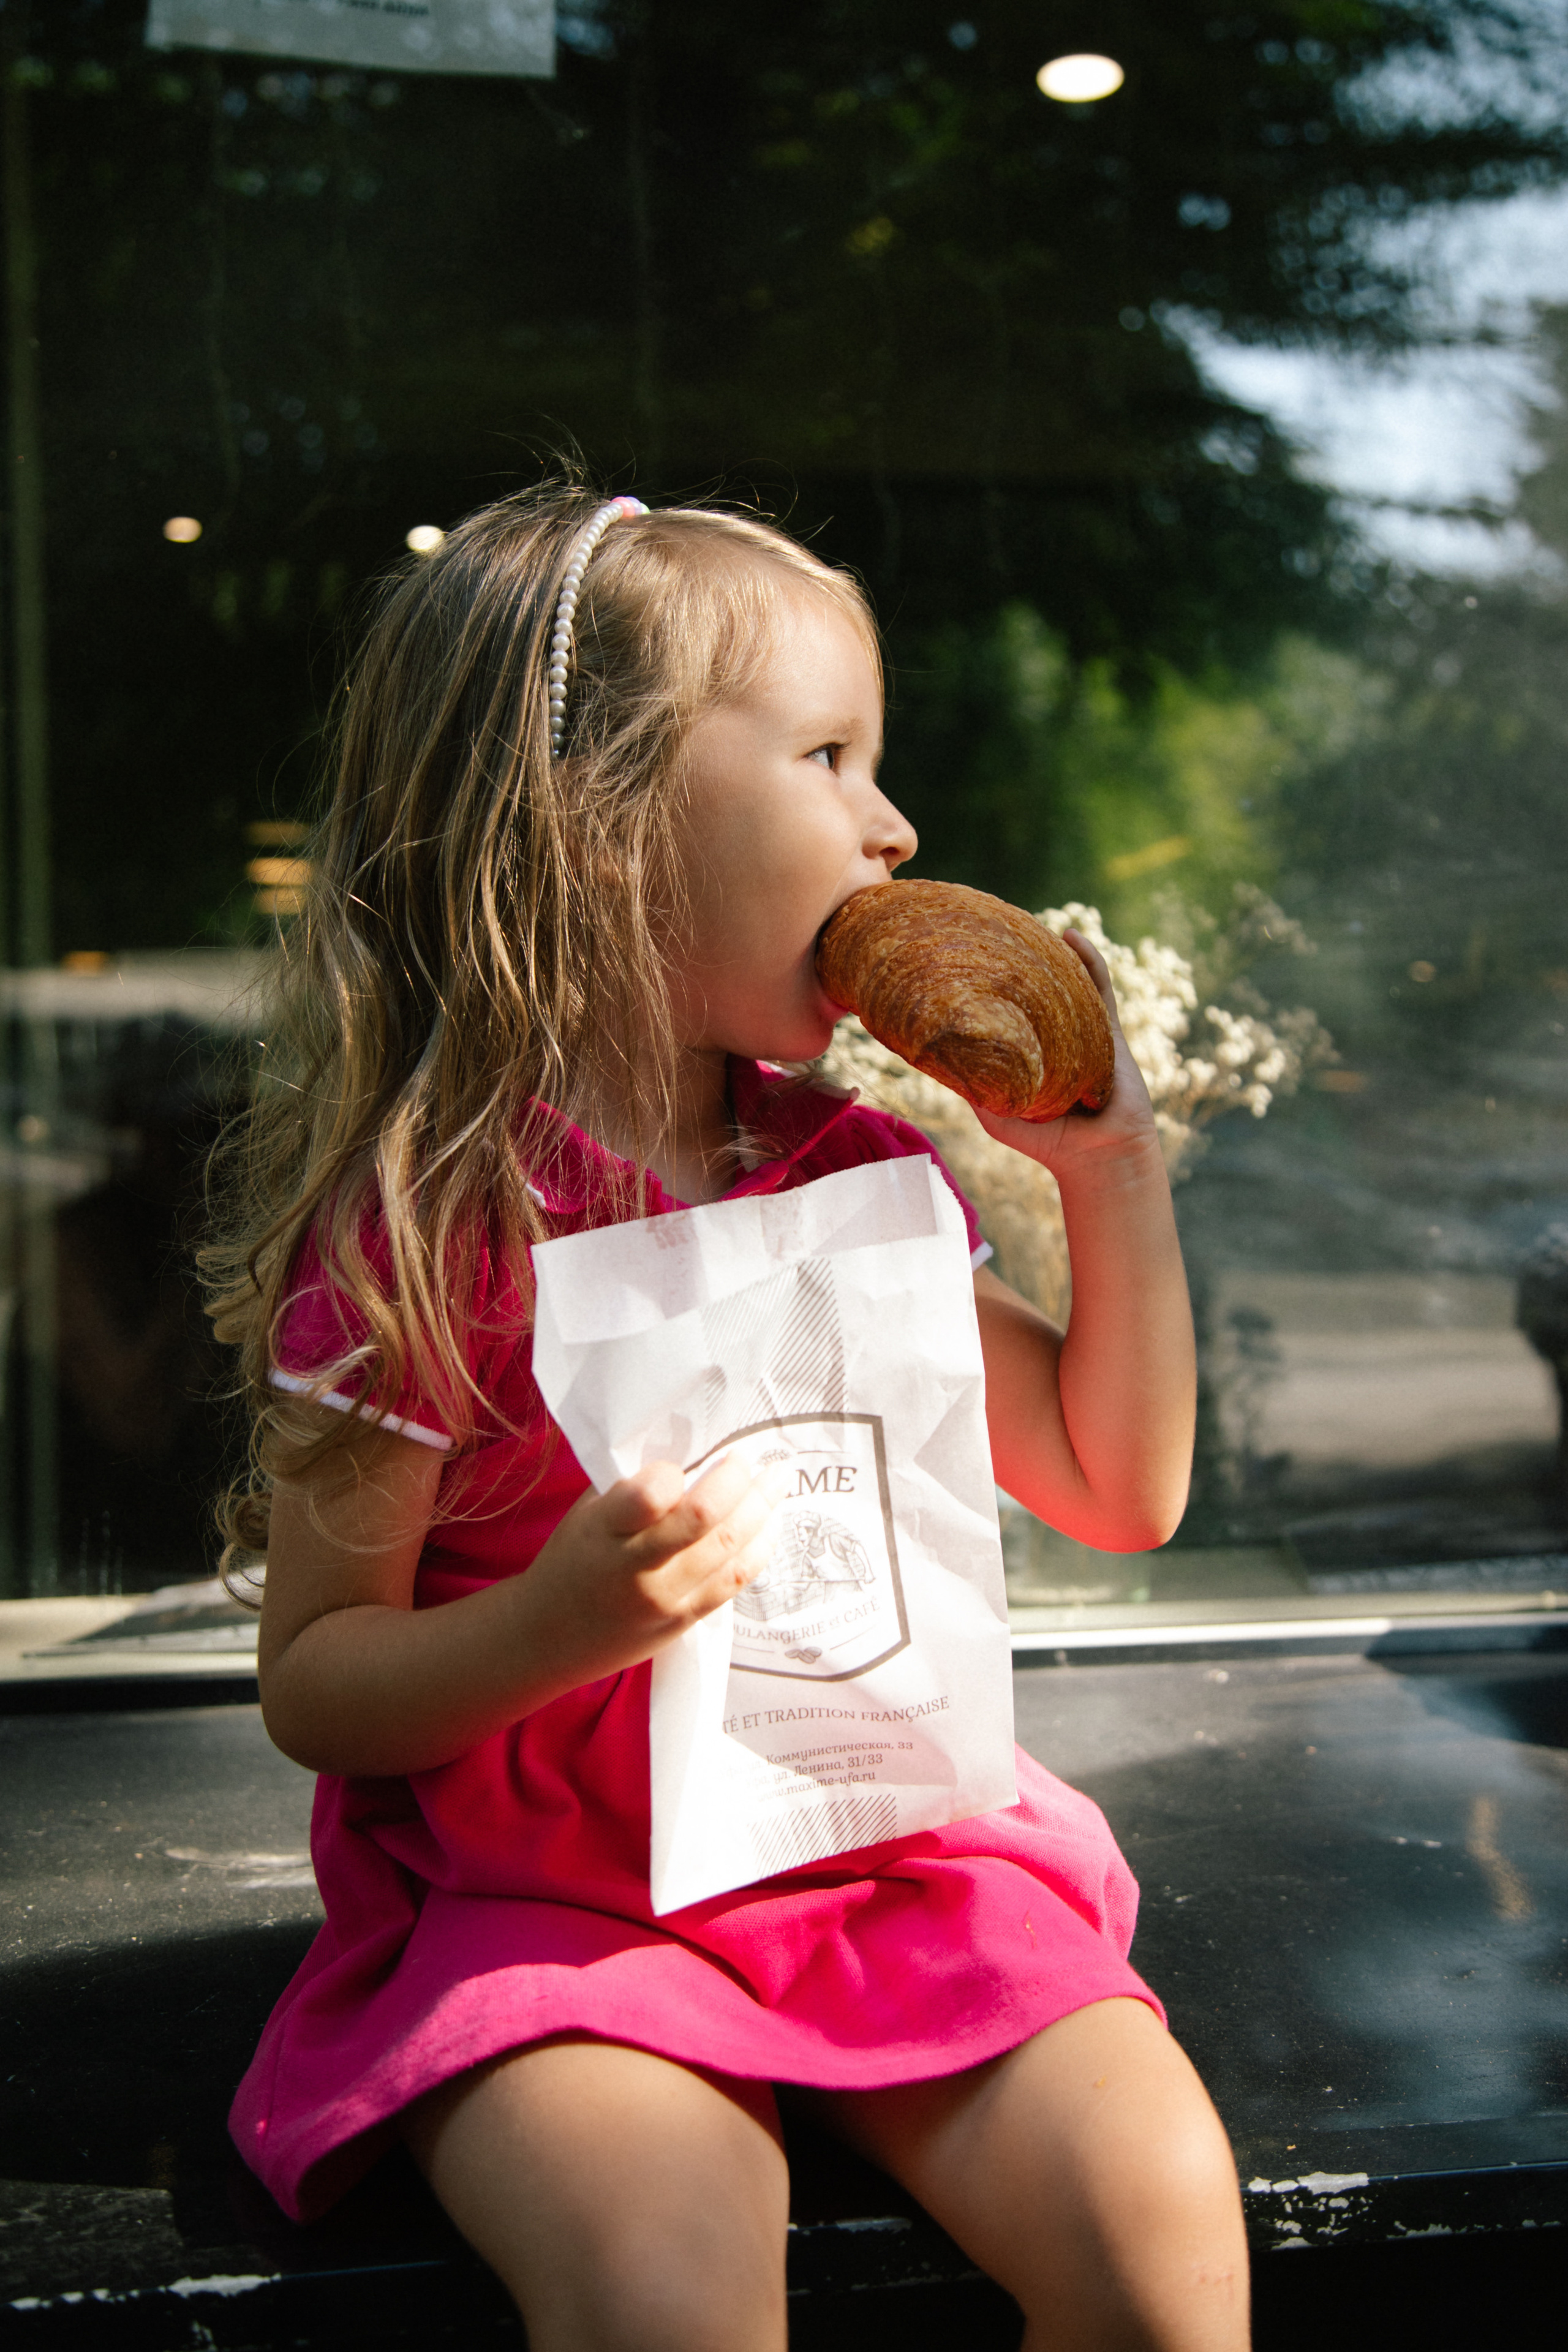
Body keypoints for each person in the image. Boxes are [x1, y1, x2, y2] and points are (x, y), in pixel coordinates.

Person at [205, 484, 1249, 2351]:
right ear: (597, 825)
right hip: (556, 1910)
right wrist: (562, 1626)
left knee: (1157, 2212)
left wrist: (1115, 1183)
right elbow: (318, 1676)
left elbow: (1117, 1487)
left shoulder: (854, 1172)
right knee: (665, 2271)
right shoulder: (439, 1227)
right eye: (831, 756)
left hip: (885, 1856)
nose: (894, 824)